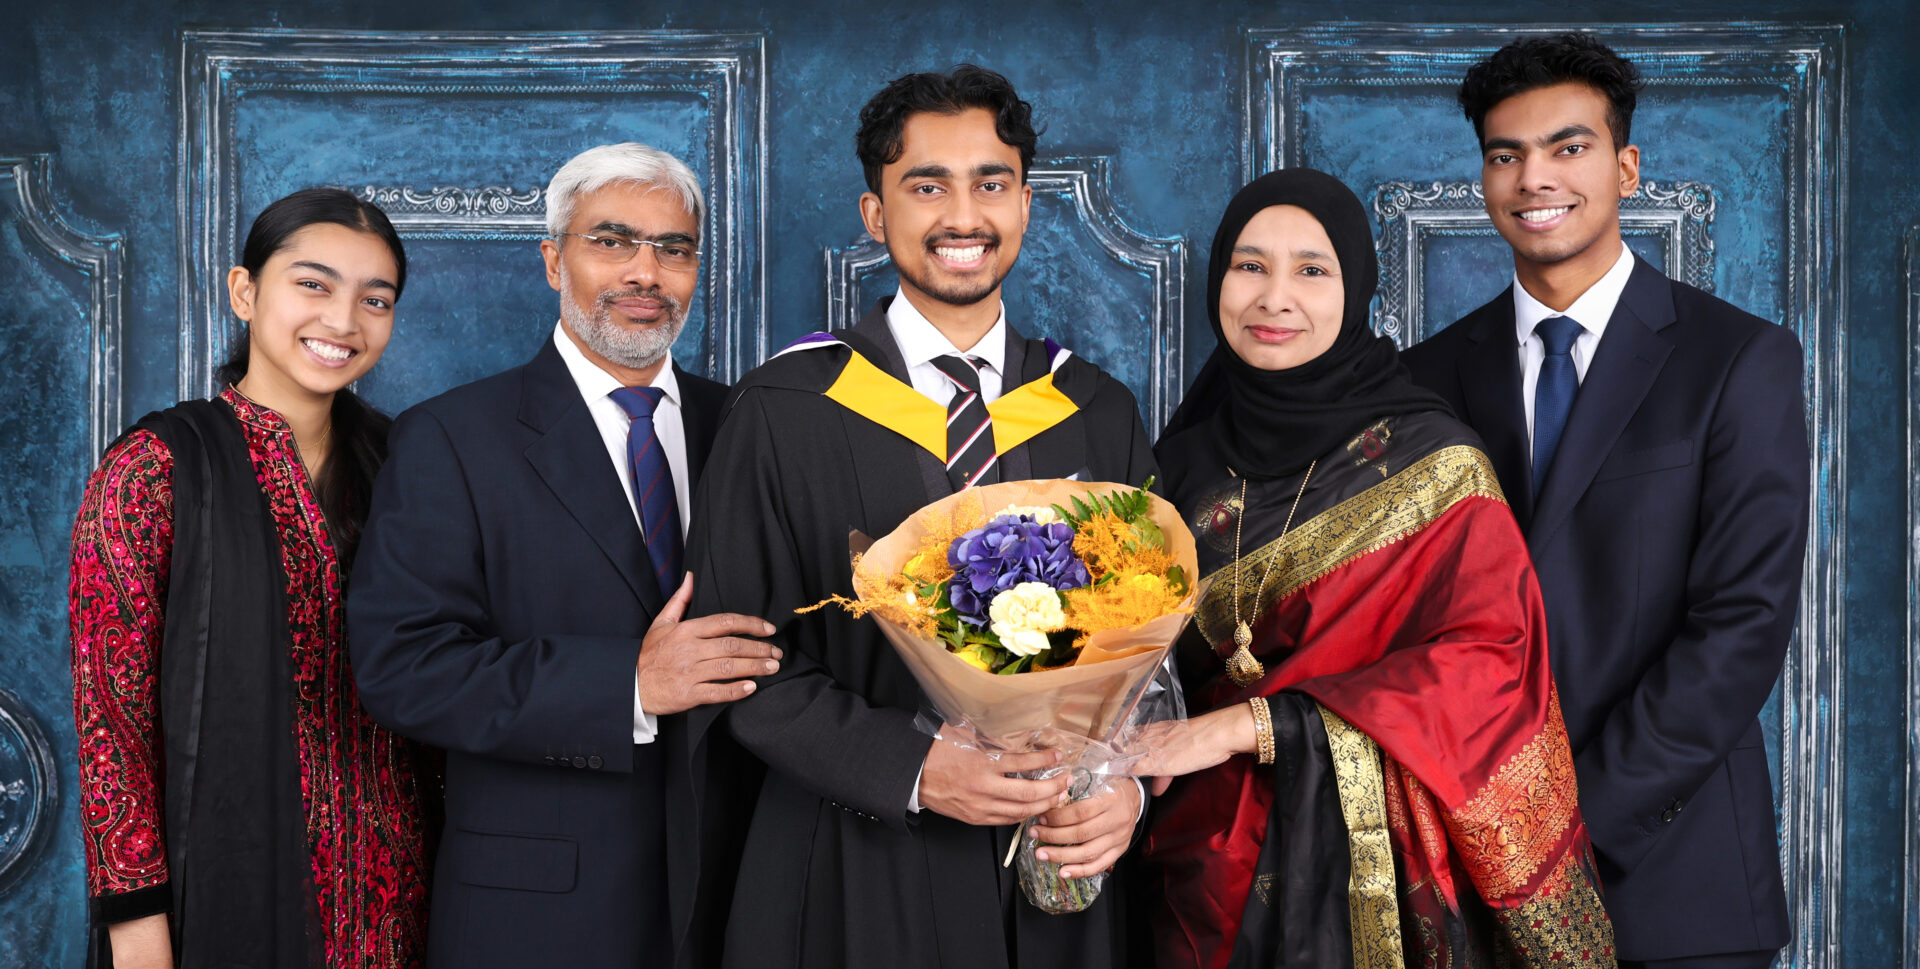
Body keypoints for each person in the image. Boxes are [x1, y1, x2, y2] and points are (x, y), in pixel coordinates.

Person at [684, 65, 1157, 969]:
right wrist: (911, 765)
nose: (963, 215)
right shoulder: (785, 409)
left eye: (991, 182)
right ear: (876, 215)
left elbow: (1152, 655)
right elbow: (741, 664)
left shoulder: (1096, 409)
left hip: (1057, 868)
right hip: (860, 863)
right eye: (926, 185)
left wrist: (1129, 790)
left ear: (1024, 204)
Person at [1135, 168, 1615, 969]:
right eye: (1249, 265)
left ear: (1355, 289)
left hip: (1378, 891)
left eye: (1311, 270)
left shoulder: (1435, 465)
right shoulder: (1173, 472)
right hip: (1200, 880)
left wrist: (1248, 726)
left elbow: (1492, 670)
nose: (1274, 297)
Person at [1401, 34, 1808, 969]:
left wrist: (1568, 825)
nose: (1534, 176)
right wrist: (1490, 836)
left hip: (1673, 877)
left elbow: (1741, 625)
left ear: (1626, 166)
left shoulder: (1737, 360)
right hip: (1470, 874)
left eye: (1568, 147)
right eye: (1506, 154)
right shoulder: (1425, 379)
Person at [347, 143, 773, 968]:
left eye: (674, 248)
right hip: (537, 919)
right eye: (611, 241)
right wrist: (630, 686)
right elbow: (402, 667)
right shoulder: (450, 437)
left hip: (735, 899)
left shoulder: (749, 428)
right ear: (553, 260)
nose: (646, 271)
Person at [68, 188, 435, 967]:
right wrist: (135, 922)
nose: (343, 321)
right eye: (314, 283)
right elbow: (111, 720)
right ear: (245, 291)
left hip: (399, 891)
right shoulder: (156, 469)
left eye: (376, 298)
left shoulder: (410, 466)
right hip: (222, 884)